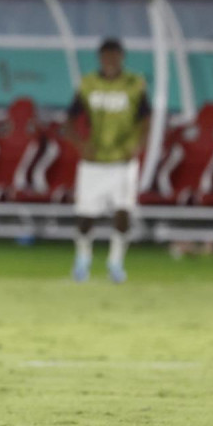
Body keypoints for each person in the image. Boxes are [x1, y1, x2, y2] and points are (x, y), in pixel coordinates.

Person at [64, 39, 148, 284]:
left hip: (122, 161)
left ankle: (116, 262)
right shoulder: (88, 84)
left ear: (122, 58)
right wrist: (81, 145)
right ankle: (83, 259)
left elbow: (146, 119)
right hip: (94, 161)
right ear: (100, 59)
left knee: (123, 211)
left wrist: (138, 145)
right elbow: (68, 121)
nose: (110, 62)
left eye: (114, 57)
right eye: (106, 57)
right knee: (85, 215)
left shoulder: (134, 85)